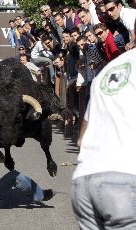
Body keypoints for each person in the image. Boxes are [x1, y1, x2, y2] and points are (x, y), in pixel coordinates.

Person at [71, 20, 136, 229]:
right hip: (124, 181)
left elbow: (81, 139)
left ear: (134, 34)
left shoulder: (108, 72)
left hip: (84, 182)